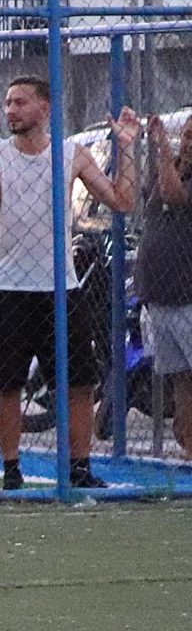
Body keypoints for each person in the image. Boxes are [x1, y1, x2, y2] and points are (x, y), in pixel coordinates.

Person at [0, 77, 137, 490]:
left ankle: (79, 468)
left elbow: (123, 201)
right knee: (9, 382)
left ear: (44, 108)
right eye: (7, 102)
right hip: (8, 288)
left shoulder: (71, 154)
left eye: (20, 102)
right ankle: (12, 471)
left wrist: (125, 146)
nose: (11, 110)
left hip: (60, 288)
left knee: (81, 380)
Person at [125, 109, 190, 458]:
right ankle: (187, 442)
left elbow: (172, 196)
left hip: (187, 296)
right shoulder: (176, 168)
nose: (189, 143)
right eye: (188, 135)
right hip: (160, 296)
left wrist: (163, 147)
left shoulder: (177, 177)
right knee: (179, 377)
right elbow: (148, 197)